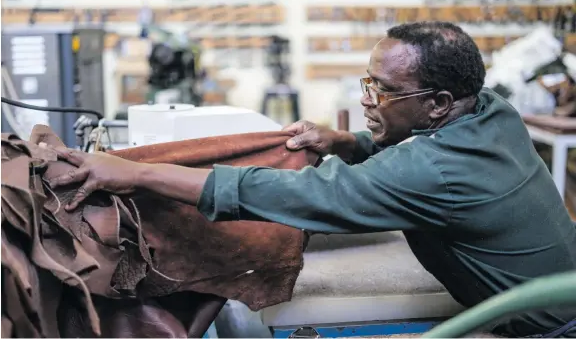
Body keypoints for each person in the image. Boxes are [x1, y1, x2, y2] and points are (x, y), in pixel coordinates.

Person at [48, 21, 575, 337]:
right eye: (366, 81)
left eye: (383, 90)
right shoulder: (490, 110)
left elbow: (288, 193)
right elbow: (417, 153)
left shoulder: (431, 172)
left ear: (438, 103)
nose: (367, 98)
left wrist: (136, 171)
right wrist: (346, 142)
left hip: (544, 326)